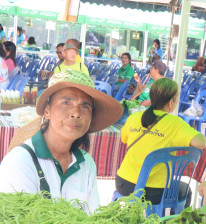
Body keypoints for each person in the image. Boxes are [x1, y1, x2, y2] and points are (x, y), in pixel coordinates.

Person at [0, 69, 123, 214]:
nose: (76, 113)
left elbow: (92, 218)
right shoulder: (20, 161)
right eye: (66, 103)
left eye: (85, 106)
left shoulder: (86, 163)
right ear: (47, 111)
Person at [116, 78, 206, 205]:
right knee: (186, 191)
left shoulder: (134, 117)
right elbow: (201, 143)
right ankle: (173, 223)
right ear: (171, 102)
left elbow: (123, 138)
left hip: (124, 184)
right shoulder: (176, 124)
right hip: (154, 192)